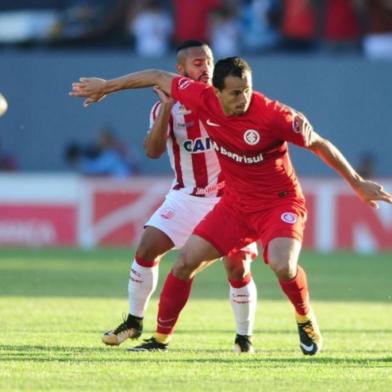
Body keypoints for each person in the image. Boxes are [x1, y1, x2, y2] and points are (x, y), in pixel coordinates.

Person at [70, 56, 392, 355]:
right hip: (235, 206)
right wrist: (107, 87)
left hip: (278, 203)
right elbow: (156, 75)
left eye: (247, 90)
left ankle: (305, 317)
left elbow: (319, 143)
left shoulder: (273, 115)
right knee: (184, 264)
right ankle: (160, 339)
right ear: (217, 93)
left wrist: (357, 183)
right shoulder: (201, 98)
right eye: (236, 93)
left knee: (282, 265)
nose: (243, 98)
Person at [98, 41, 259, 353]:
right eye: (197, 63)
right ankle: (134, 320)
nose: (205, 68)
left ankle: (244, 338)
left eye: (209, 61)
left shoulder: (230, 99)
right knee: (147, 247)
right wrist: (168, 109)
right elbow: (153, 151)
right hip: (187, 195)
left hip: (229, 199)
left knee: (237, 267)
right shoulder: (164, 108)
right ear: (181, 69)